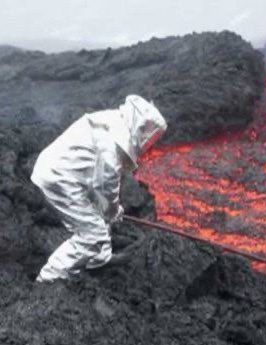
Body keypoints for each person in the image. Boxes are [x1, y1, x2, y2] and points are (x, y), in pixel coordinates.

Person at [31, 95, 167, 282]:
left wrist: (110, 210)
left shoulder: (110, 121)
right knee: (91, 234)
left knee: (97, 215)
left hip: (64, 175)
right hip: (60, 179)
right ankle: (48, 279)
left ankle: (98, 259)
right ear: (140, 124)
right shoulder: (112, 139)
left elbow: (99, 188)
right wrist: (112, 210)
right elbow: (105, 184)